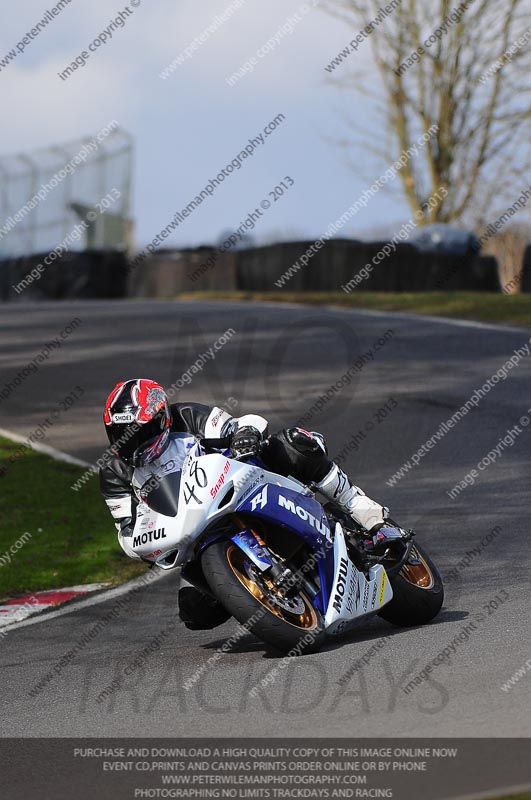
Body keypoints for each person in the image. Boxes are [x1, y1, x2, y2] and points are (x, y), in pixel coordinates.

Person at [100, 378, 395, 630]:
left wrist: (244, 436)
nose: (131, 443)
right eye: (120, 435)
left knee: (291, 444)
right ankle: (259, 594)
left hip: (241, 486)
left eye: (140, 433)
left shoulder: (186, 416)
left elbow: (244, 423)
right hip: (193, 532)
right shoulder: (113, 471)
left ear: (162, 419)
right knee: (195, 613)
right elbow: (126, 531)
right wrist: (144, 542)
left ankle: (362, 510)